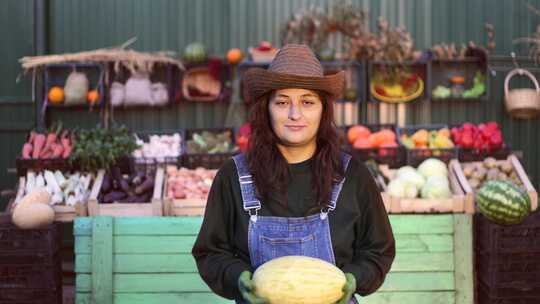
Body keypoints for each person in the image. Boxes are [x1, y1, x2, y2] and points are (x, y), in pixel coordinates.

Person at [192, 44, 395, 304]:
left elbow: (379, 251)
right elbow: (210, 252)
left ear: (323, 109)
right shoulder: (233, 176)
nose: (294, 114)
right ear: (266, 108)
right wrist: (237, 278)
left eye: (307, 102)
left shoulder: (353, 176)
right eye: (282, 102)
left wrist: (354, 278)